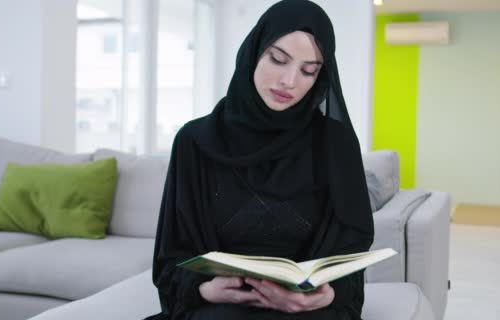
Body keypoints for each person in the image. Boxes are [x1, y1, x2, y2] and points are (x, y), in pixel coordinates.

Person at [144, 0, 374, 319]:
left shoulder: (335, 143)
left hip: (306, 313)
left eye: (309, 70)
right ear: (254, 52)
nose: (289, 81)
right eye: (278, 60)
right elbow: (171, 257)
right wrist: (203, 288)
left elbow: (350, 257)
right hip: (221, 309)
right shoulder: (193, 141)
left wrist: (326, 295)